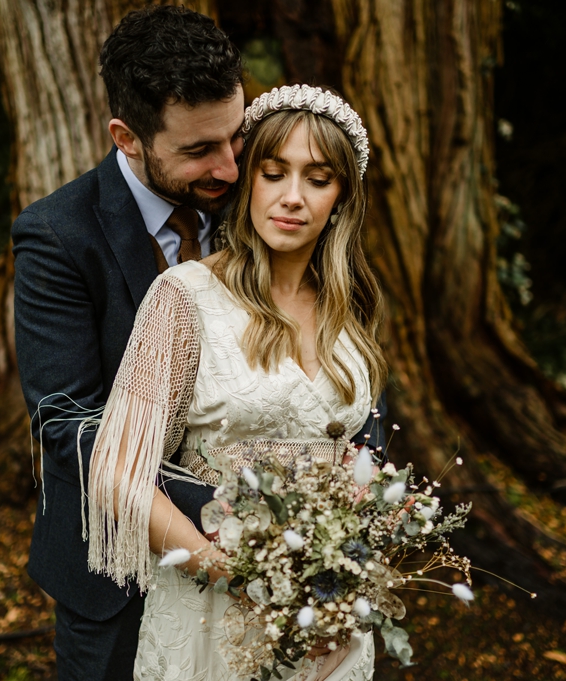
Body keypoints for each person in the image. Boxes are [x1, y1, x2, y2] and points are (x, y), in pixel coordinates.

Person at [85, 84, 385, 680]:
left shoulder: (351, 313)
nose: (292, 198)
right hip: (211, 609)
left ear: (342, 199)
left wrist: (352, 577)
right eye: (274, 173)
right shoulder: (184, 299)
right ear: (249, 181)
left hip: (327, 617)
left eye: (318, 180)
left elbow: (361, 459)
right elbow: (118, 475)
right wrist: (236, 574)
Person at [12, 7, 244, 680]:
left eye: (235, 134)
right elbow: (67, 422)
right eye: (200, 149)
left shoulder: (259, 199)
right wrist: (229, 506)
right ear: (128, 137)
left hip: (263, 563)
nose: (230, 167)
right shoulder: (58, 235)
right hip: (113, 574)